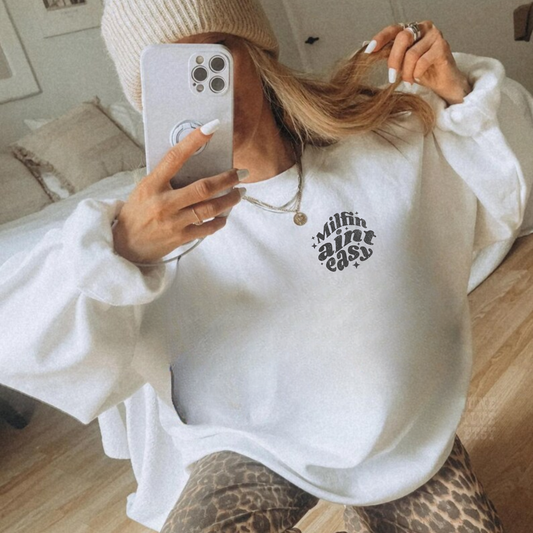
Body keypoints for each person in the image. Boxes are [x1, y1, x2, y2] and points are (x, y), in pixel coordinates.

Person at [1, 0, 533, 531]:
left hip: (398, 438)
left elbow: (505, 192)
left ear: (257, 53)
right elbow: (19, 335)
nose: (205, 87)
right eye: (171, 72)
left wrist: (458, 95)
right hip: (246, 442)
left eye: (216, 53)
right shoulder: (144, 230)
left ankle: (371, 504)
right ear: (147, 99)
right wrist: (119, 252)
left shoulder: (383, 147)